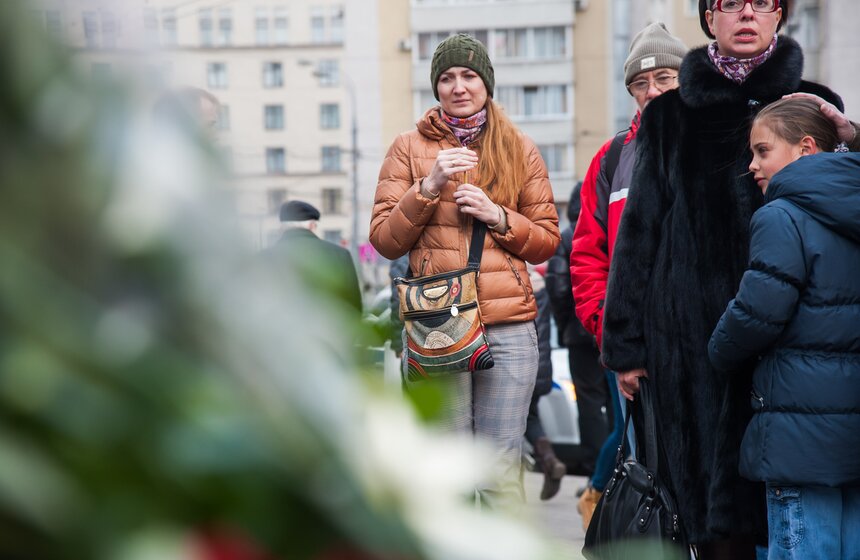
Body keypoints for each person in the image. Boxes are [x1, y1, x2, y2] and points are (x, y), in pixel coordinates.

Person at [599, 1, 851, 557]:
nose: (747, 13)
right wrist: (626, 345)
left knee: (792, 509)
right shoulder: (670, 115)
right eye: (730, 3)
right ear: (709, 18)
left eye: (762, 3)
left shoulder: (813, 105)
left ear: (780, 15)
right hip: (689, 337)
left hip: (797, 335)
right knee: (709, 515)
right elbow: (639, 228)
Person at [369, 33, 560, 509]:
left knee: (499, 474)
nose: (458, 86)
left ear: (486, 83)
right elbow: (385, 240)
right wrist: (427, 186)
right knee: (449, 476)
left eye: (469, 75)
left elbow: (546, 240)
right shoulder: (407, 148)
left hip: (507, 325)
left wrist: (499, 217)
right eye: (447, 77)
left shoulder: (519, 147)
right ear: (436, 86)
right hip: (439, 324)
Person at [708, 97, 860, 560]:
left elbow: (759, 310)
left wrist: (718, 349)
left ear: (805, 147)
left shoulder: (782, 214)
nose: (752, 166)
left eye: (762, 151)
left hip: (799, 431)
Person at [568, 22, 688, 530]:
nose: (652, 91)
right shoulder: (613, 157)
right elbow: (586, 257)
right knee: (651, 489)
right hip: (638, 357)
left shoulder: (716, 141)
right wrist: (614, 339)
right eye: (641, 83)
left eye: (664, 78)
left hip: (707, 346)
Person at [546, 182, 611, 488]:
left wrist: (567, 326)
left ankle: (594, 474)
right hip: (607, 330)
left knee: (589, 405)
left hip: (579, 334)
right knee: (615, 404)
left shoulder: (568, 237)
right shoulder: (607, 229)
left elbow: (558, 289)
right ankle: (616, 473)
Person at [268, 200, 362, 317]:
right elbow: (354, 308)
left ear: (282, 228)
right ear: (312, 225)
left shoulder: (263, 259)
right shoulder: (340, 255)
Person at [524, 264, 567, 501]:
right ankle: (550, 461)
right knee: (530, 417)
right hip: (540, 367)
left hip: (520, 365)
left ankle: (544, 464)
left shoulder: (513, 286)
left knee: (513, 425)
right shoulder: (539, 285)